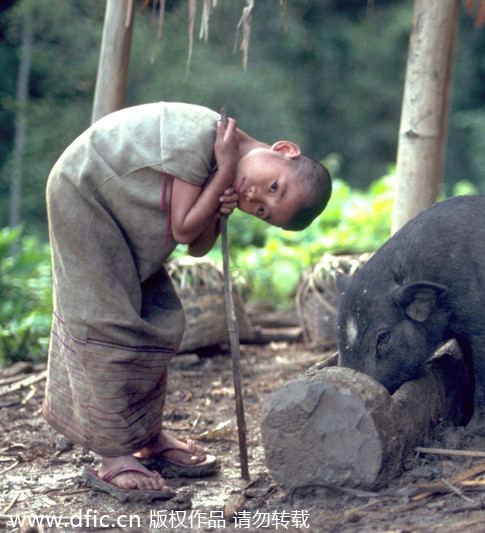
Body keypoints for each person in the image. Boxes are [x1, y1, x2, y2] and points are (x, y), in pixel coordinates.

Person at [42, 101, 332, 501]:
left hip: (121, 214)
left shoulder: (225, 167)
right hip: (85, 192)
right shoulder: (206, 141)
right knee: (107, 320)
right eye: (274, 186)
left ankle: (145, 437)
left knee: (160, 315)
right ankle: (112, 456)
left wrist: (220, 204)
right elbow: (181, 228)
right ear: (285, 150)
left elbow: (198, 245)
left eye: (263, 209)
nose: (255, 197)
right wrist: (225, 172)